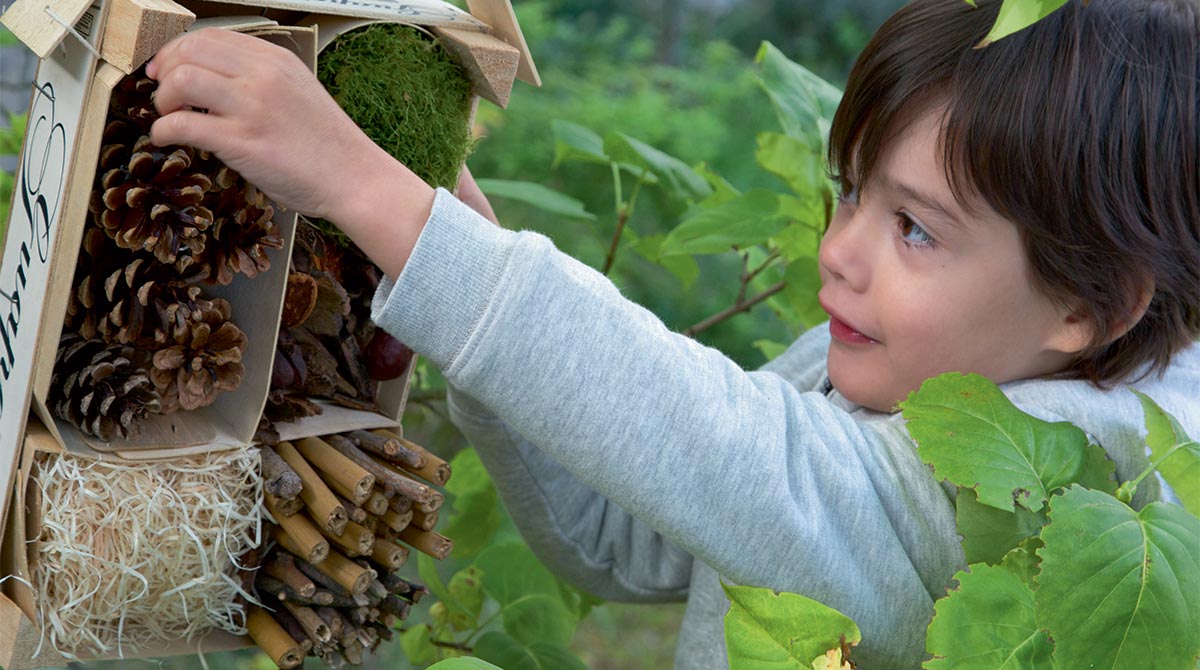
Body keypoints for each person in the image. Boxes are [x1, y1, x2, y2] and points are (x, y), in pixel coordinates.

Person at [145, 0, 1199, 666]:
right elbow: (634, 531)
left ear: (1093, 307)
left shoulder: (1079, 485)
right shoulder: (901, 379)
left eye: (916, 228)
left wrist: (374, 195)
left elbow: (738, 454)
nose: (841, 250)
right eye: (852, 194)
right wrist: (451, 251)